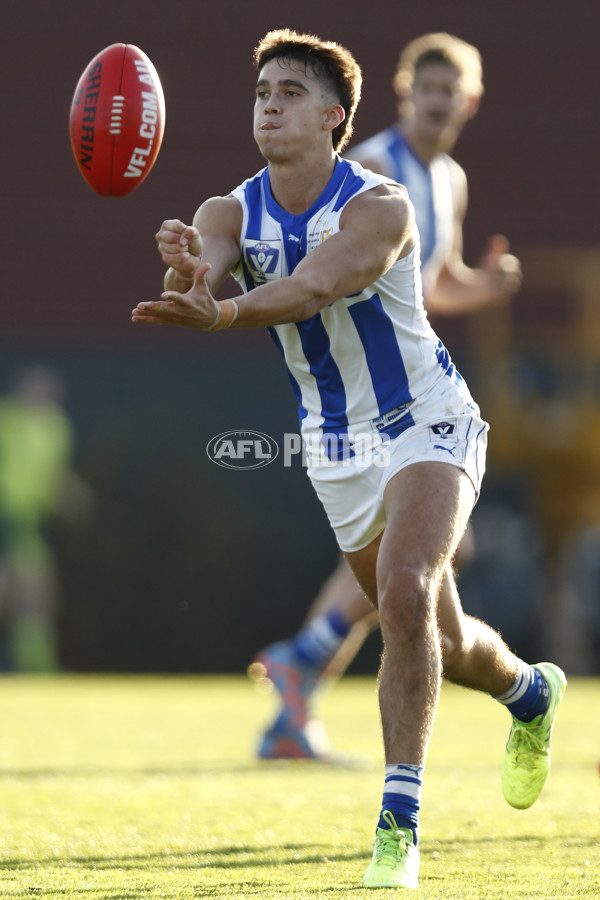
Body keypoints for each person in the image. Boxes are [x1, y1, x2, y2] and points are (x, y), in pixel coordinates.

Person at [132, 29, 565, 891]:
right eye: (261, 91)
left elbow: (318, 284)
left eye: (290, 91)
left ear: (335, 117)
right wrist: (188, 278)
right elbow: (209, 278)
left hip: (428, 419)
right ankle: (530, 693)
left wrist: (218, 315)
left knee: (403, 589)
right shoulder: (229, 210)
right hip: (338, 449)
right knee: (439, 634)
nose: (269, 103)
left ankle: (397, 827)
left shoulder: (382, 206)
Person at [248, 32, 523, 761]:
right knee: (421, 571)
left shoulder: (448, 179)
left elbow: (431, 279)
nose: (436, 103)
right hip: (352, 404)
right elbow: (324, 276)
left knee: (428, 567)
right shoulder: (367, 170)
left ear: (470, 102)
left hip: (412, 401)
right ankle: (305, 661)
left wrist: (485, 287)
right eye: (423, 90)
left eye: (449, 93)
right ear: (405, 95)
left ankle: (300, 676)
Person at [0, 366, 92, 671]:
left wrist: (71, 496)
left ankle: (37, 672)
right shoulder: (7, 419)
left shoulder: (58, 427)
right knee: (30, 592)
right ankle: (38, 671)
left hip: (30, 522)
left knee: (37, 598)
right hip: (6, 516)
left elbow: (54, 476)